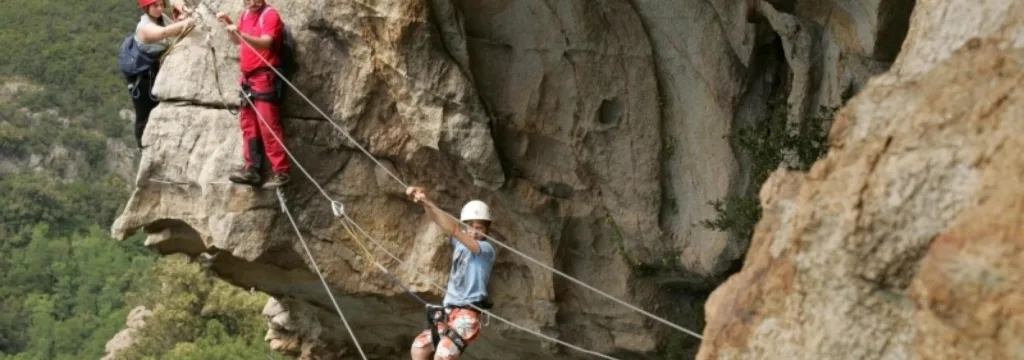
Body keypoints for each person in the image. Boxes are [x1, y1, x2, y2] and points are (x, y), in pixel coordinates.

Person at [405, 186, 497, 360]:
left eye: (479, 228)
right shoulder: (460, 243)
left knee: (443, 355)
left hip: (468, 315)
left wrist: (428, 201)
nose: (474, 232)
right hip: (449, 312)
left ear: (487, 229)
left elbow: (453, 229)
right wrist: (423, 200)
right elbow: (438, 220)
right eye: (469, 227)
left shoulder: (485, 250)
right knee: (419, 349)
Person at [216, 0, 291, 189]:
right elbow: (238, 41)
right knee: (249, 126)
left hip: (265, 76)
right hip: (248, 79)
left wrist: (240, 33)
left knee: (268, 125)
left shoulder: (270, 14)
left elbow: (266, 43)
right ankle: (253, 170)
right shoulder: (246, 14)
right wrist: (229, 25)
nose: (252, 2)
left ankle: (282, 172)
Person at [129, 0, 192, 149]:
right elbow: (164, 33)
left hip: (156, 74)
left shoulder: (161, 19)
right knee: (144, 114)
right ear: (146, 7)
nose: (159, 8)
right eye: (155, 6)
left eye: (161, 5)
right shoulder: (144, 28)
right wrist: (187, 22)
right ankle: (143, 147)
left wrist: (184, 10)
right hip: (142, 80)